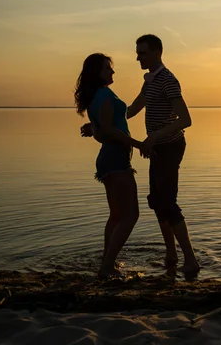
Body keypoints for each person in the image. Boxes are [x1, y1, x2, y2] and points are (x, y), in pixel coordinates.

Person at [82, 35, 200, 274]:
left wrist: (152, 138)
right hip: (154, 147)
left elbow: (186, 120)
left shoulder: (167, 80)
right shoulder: (150, 81)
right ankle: (171, 254)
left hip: (169, 146)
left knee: (166, 201)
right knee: (157, 201)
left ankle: (190, 260)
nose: (138, 57)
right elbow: (128, 111)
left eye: (142, 53)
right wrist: (96, 125)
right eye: (138, 53)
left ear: (157, 53)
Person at [74, 53, 143, 278]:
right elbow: (110, 130)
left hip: (108, 158)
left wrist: (92, 129)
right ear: (97, 72)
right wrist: (139, 144)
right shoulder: (103, 94)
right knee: (131, 214)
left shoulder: (97, 95)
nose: (112, 72)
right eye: (107, 68)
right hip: (115, 159)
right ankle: (106, 266)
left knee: (116, 215)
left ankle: (107, 262)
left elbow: (102, 128)